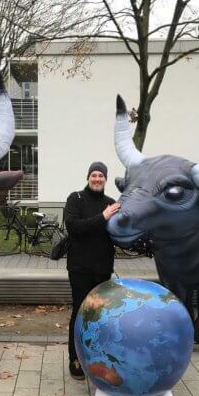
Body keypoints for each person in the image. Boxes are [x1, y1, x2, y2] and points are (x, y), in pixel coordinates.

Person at [64, 162, 120, 380]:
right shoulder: (75, 199)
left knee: (98, 315)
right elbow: (74, 227)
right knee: (80, 312)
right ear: (88, 177)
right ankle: (74, 357)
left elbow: (119, 233)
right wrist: (103, 217)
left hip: (102, 269)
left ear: (105, 179)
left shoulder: (111, 203)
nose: (97, 179)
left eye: (101, 176)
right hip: (80, 268)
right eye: (94, 175)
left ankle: (95, 355)